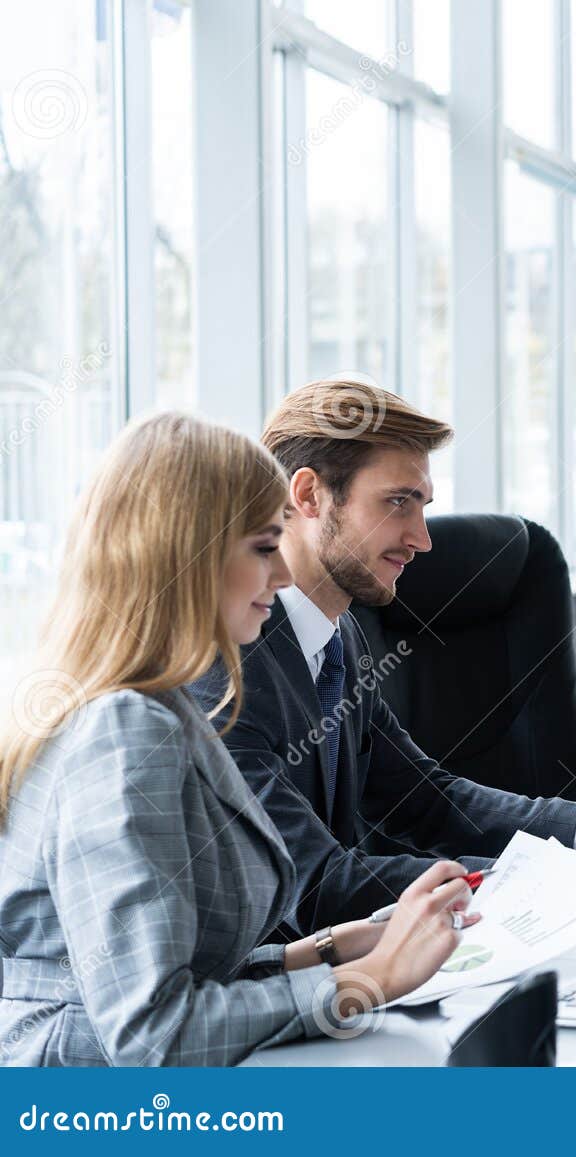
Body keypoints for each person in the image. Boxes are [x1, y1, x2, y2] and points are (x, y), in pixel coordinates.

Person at [0, 414, 472, 1066]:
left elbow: (184, 972)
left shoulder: (156, 707)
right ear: (183, 555)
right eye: (262, 547)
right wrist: (366, 981)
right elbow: (154, 1034)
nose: (282, 576)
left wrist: (333, 948)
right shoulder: (124, 735)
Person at [191, 380, 576, 937]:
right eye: (397, 502)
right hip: (271, 992)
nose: (422, 539)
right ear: (308, 496)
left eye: (422, 506)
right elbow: (313, 886)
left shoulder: (339, 640)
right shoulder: (224, 668)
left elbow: (428, 800)